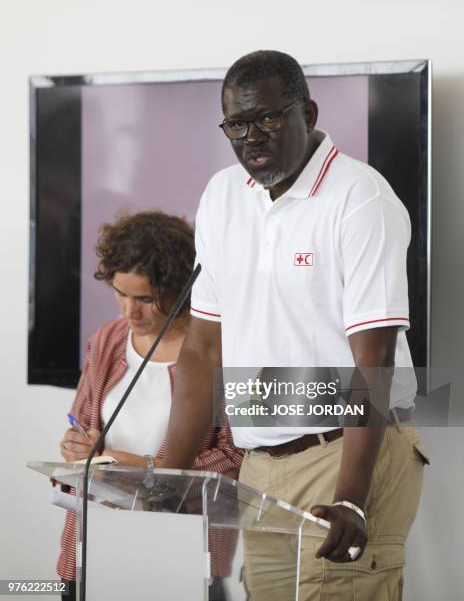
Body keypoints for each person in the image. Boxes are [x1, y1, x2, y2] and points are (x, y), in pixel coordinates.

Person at [160, 51, 430, 600]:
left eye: (268, 118)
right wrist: (171, 473)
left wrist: (351, 496)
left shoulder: (360, 198)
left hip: (346, 452)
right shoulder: (221, 198)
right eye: (236, 124)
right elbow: (203, 350)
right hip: (262, 464)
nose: (251, 138)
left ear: (307, 111)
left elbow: (372, 362)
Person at [57, 210, 243, 600]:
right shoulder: (106, 340)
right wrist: (79, 447)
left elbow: (235, 459)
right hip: (96, 547)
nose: (129, 312)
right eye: (120, 294)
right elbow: (83, 428)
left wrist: (148, 469)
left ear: (180, 289)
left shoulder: (222, 352)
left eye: (145, 298)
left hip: (186, 555)